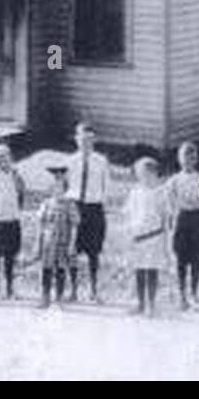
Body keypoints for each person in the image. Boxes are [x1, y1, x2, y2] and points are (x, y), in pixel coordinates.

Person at [65, 122, 110, 303]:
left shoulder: (101, 161)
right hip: (75, 206)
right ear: (76, 139)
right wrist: (69, 206)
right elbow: (66, 186)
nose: (85, 143)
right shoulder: (70, 161)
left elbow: (106, 186)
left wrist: (101, 206)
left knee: (94, 251)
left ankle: (93, 289)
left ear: (94, 140)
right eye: (82, 139)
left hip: (94, 207)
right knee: (73, 250)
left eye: (89, 139)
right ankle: (73, 290)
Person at [167, 141, 199, 310]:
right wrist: (174, 218)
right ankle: (182, 294)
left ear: (196, 159)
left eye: (192, 157)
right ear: (179, 159)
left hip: (197, 219)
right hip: (181, 218)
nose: (188, 161)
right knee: (181, 258)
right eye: (185, 157)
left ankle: (195, 293)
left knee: (197, 259)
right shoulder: (174, 180)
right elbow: (171, 202)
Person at [124, 156, 170, 317]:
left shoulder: (161, 192)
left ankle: (151, 303)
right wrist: (130, 232)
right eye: (140, 174)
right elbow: (129, 213)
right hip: (138, 236)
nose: (144, 177)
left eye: (147, 174)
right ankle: (140, 303)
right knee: (139, 270)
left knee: (151, 270)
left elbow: (166, 216)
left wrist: (165, 237)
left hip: (155, 236)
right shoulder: (135, 192)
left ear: (155, 173)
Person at [0, 143, 26, 300]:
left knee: (10, 257)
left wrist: (15, 213)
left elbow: (21, 196)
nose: (0, 160)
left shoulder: (17, 176)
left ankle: (10, 289)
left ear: (10, 157)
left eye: (3, 156)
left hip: (12, 221)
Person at [37, 167, 80, 308]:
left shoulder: (70, 205)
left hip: (63, 242)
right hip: (48, 242)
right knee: (46, 269)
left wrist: (72, 244)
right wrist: (38, 242)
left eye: (60, 187)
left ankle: (59, 298)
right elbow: (41, 224)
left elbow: (74, 226)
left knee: (61, 269)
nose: (57, 190)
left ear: (65, 189)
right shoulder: (46, 204)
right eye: (55, 187)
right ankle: (45, 298)